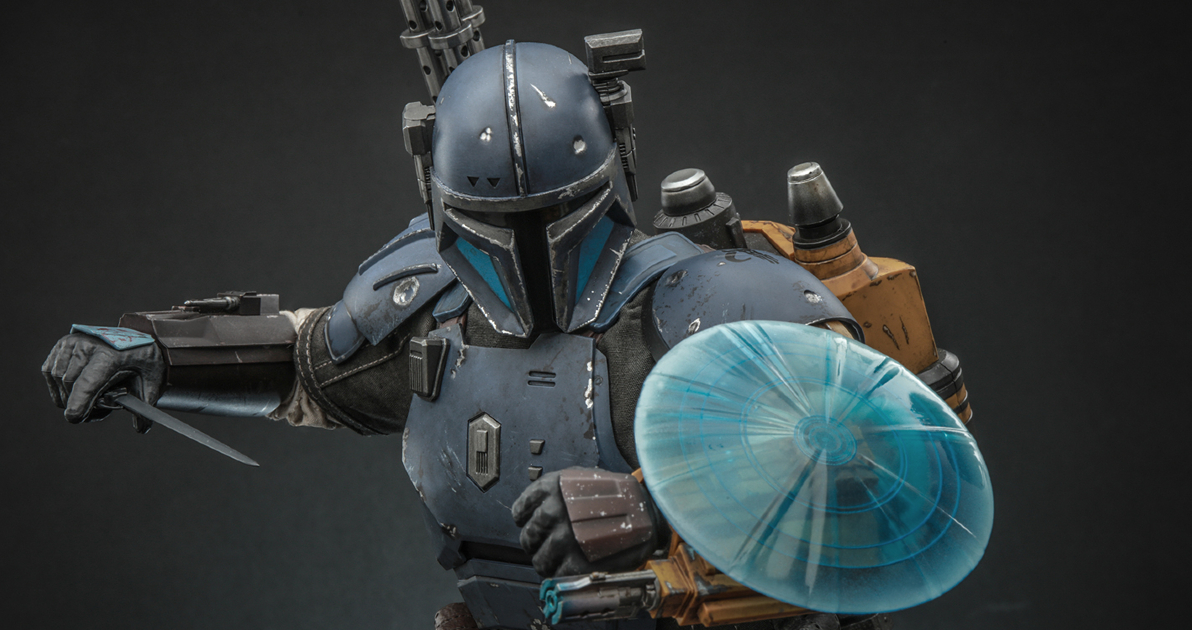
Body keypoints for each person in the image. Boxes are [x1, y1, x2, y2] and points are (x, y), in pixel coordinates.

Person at [42, 39, 895, 630]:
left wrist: (661, 505)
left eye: (556, 218)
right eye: (497, 227)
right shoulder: (434, 309)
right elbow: (310, 366)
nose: (531, 257)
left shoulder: (699, 307)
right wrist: (154, 352)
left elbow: (874, 461)